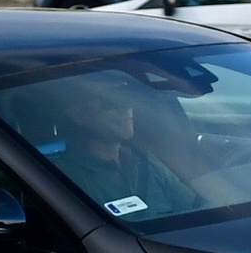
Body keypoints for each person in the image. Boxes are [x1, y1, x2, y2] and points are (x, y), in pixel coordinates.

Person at [46, 75, 199, 219]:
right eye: (110, 102)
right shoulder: (64, 179)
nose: (125, 109)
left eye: (126, 99)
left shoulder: (147, 165)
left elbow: (196, 210)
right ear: (79, 115)